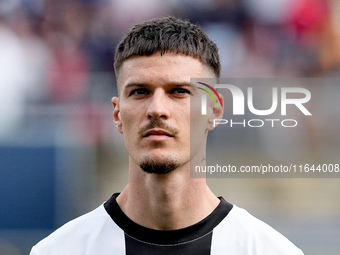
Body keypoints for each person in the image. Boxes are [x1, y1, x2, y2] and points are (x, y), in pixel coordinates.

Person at [30, 16, 303, 255]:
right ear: (116, 114)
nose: (157, 109)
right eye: (140, 92)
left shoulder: (269, 251)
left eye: (179, 91)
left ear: (214, 111)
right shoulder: (59, 251)